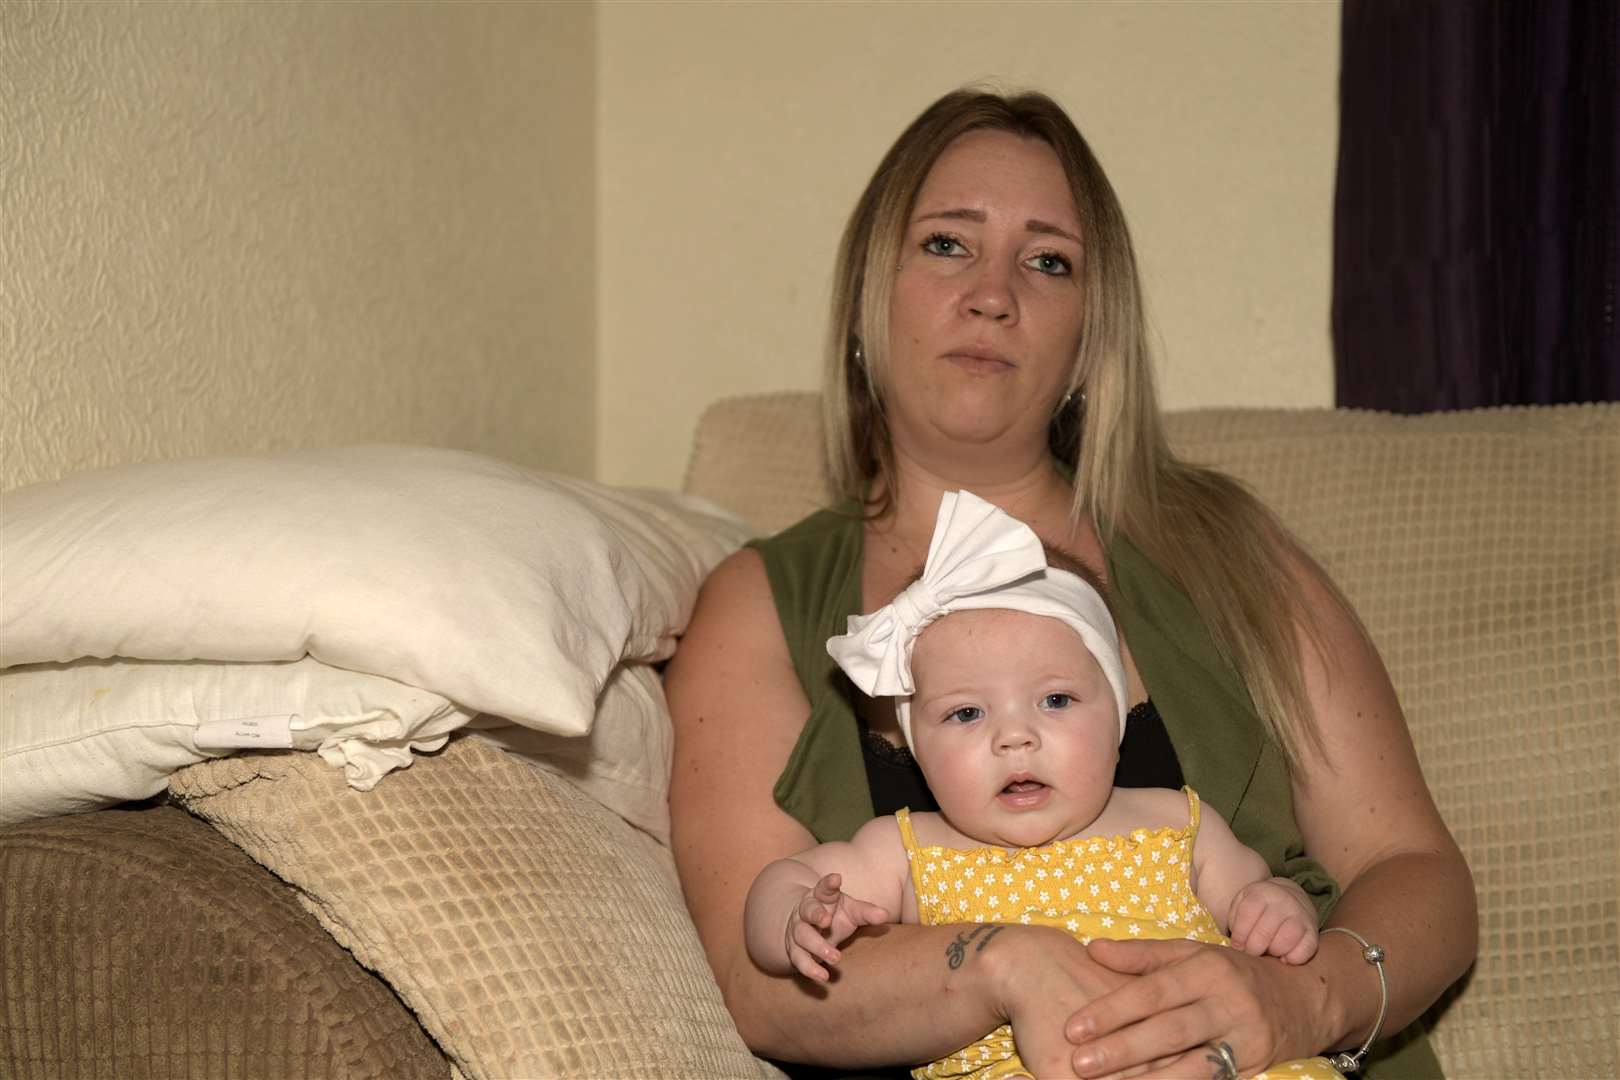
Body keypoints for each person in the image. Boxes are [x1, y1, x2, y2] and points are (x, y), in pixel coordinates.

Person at [665, 86, 1475, 1079]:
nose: (994, 292)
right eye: (948, 244)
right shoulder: (759, 602)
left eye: (1049, 260)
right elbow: (761, 993)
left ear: (1092, 338)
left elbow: (1419, 877)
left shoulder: (1224, 543)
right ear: (865, 302)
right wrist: (1000, 964)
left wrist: (1306, 999)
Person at [743, 490, 1340, 1080]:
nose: (1014, 737)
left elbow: (1258, 905)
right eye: (967, 714)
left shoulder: (1179, 823)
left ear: (1118, 720)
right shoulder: (904, 849)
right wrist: (798, 916)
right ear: (917, 750)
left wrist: (1279, 909)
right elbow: (783, 880)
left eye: (1055, 700)